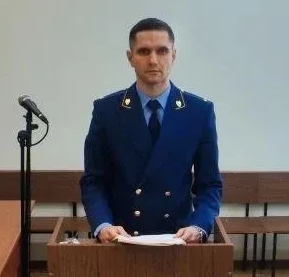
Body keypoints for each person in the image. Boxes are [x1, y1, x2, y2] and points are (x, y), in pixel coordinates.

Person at [80, 17, 223, 243]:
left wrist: (199, 225)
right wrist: (103, 225)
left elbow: (209, 184)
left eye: (162, 51)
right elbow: (94, 181)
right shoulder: (107, 111)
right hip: (122, 238)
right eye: (144, 51)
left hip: (178, 239)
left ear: (173, 55)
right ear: (130, 57)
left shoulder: (199, 112)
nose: (153, 60)